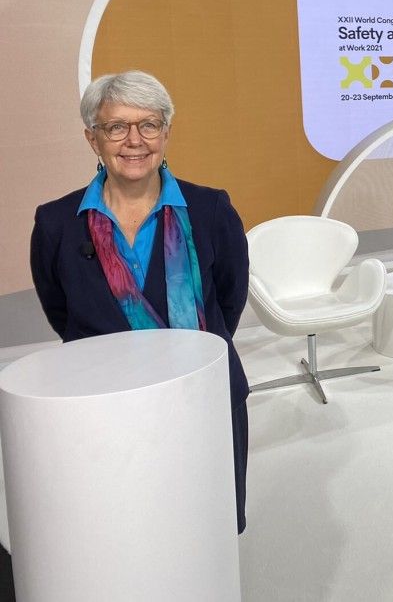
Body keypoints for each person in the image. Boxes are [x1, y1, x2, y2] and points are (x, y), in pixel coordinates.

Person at [29, 71, 251, 532]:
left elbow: (229, 299)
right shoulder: (55, 224)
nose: (134, 140)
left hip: (205, 400)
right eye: (116, 127)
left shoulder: (210, 209)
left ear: (166, 134)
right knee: (128, 531)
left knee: (204, 528)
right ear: (93, 139)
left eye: (149, 125)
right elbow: (61, 311)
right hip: (106, 410)